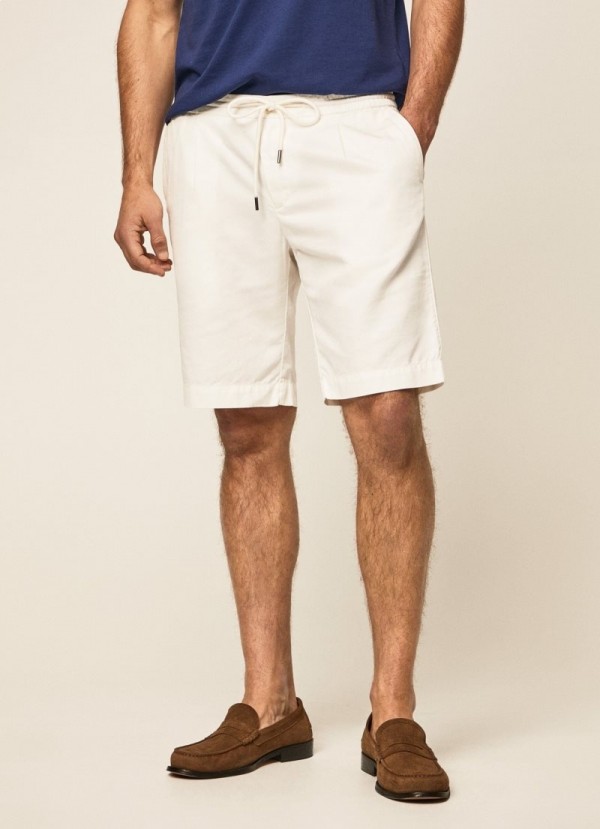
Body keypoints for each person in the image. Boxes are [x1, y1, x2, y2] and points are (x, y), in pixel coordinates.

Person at [114, 0, 464, 803]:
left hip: (356, 126)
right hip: (213, 136)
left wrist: (411, 130)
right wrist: (136, 173)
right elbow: (153, 13)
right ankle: (268, 702)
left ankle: (394, 712)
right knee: (245, 422)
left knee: (387, 414)